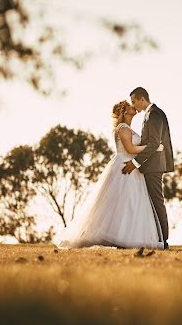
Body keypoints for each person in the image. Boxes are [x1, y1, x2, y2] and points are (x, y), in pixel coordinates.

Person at [54, 100, 164, 249]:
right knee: (125, 202)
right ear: (125, 112)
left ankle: (128, 236)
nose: (134, 107)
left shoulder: (128, 128)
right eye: (130, 106)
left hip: (133, 168)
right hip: (124, 166)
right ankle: (118, 236)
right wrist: (153, 147)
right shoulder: (123, 128)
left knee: (131, 203)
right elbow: (130, 149)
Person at [122, 87, 174, 250]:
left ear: (142, 99)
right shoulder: (149, 115)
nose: (133, 105)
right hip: (150, 165)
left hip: (154, 166)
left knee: (157, 202)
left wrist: (135, 163)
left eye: (134, 101)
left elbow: (153, 143)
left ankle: (163, 240)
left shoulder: (155, 114)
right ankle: (156, 238)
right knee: (151, 202)